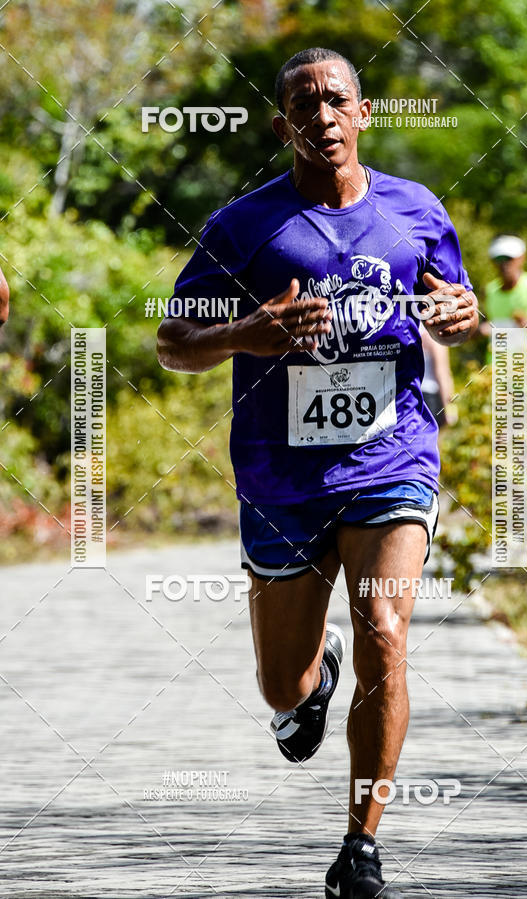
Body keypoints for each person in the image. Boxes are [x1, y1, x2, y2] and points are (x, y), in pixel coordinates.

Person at [157, 47, 478, 898]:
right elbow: (171, 342)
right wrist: (243, 334)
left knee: (386, 627)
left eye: (337, 99)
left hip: (392, 457)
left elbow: (456, 305)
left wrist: (460, 314)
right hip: (280, 478)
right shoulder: (240, 228)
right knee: (280, 683)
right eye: (304, 104)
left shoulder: (417, 210)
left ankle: (361, 843)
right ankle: (311, 684)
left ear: (363, 113)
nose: (323, 116)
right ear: (283, 123)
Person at [420, 324, 457, 428]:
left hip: (412, 396)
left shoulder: (408, 335)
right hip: (431, 398)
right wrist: (450, 407)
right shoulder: (435, 339)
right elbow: (443, 373)